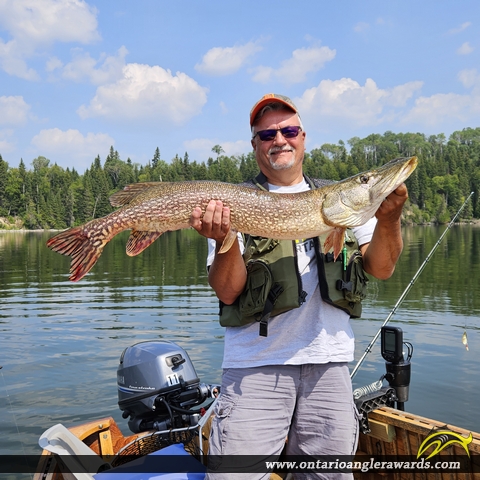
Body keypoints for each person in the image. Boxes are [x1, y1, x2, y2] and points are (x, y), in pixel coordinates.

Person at [190, 93, 408, 479]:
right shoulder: (233, 202)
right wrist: (224, 239)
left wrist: (389, 218)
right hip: (255, 368)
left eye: (289, 130)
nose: (280, 139)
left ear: (303, 137)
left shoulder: (341, 202)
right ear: (255, 145)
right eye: (267, 134)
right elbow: (228, 292)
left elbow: (383, 268)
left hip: (328, 367)